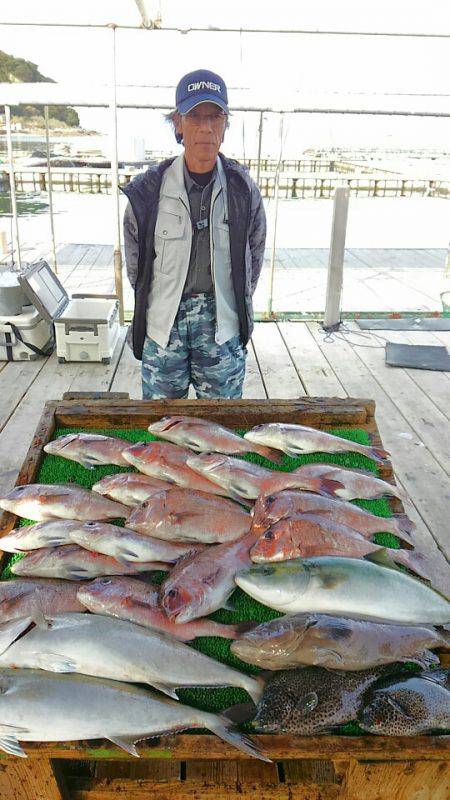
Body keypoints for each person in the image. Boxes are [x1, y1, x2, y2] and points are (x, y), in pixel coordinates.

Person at [122, 68, 266, 399]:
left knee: (221, 426)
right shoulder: (148, 189)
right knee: (162, 426)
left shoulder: (243, 189)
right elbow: (136, 265)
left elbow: (254, 256)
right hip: (164, 326)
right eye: (194, 117)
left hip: (222, 326)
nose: (205, 127)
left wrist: (232, 302)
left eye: (215, 117)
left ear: (225, 125)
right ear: (177, 124)